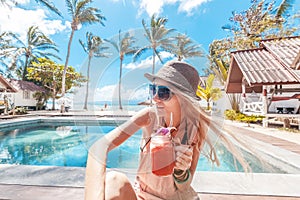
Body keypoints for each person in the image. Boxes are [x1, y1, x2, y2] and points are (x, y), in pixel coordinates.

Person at [85, 61, 249, 200]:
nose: (155, 98)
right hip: (145, 196)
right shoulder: (149, 117)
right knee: (113, 180)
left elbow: (185, 185)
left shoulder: (195, 128)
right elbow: (99, 147)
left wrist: (180, 173)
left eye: (163, 92)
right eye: (153, 90)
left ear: (183, 97)